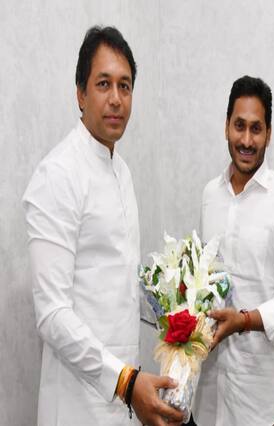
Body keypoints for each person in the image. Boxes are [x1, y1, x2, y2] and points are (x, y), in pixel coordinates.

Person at [22, 26, 183, 426]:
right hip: (78, 403)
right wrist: (125, 381)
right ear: (80, 94)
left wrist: (177, 308)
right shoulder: (58, 174)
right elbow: (52, 313)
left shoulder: (121, 171)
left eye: (125, 86)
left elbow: (115, 283)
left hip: (122, 397)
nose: (116, 98)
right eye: (103, 84)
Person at [191, 75, 274, 426]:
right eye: (239, 126)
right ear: (226, 126)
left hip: (260, 406)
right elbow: (203, 281)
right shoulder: (210, 195)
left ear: (269, 133)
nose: (246, 140)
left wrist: (243, 321)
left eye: (256, 129)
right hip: (208, 399)